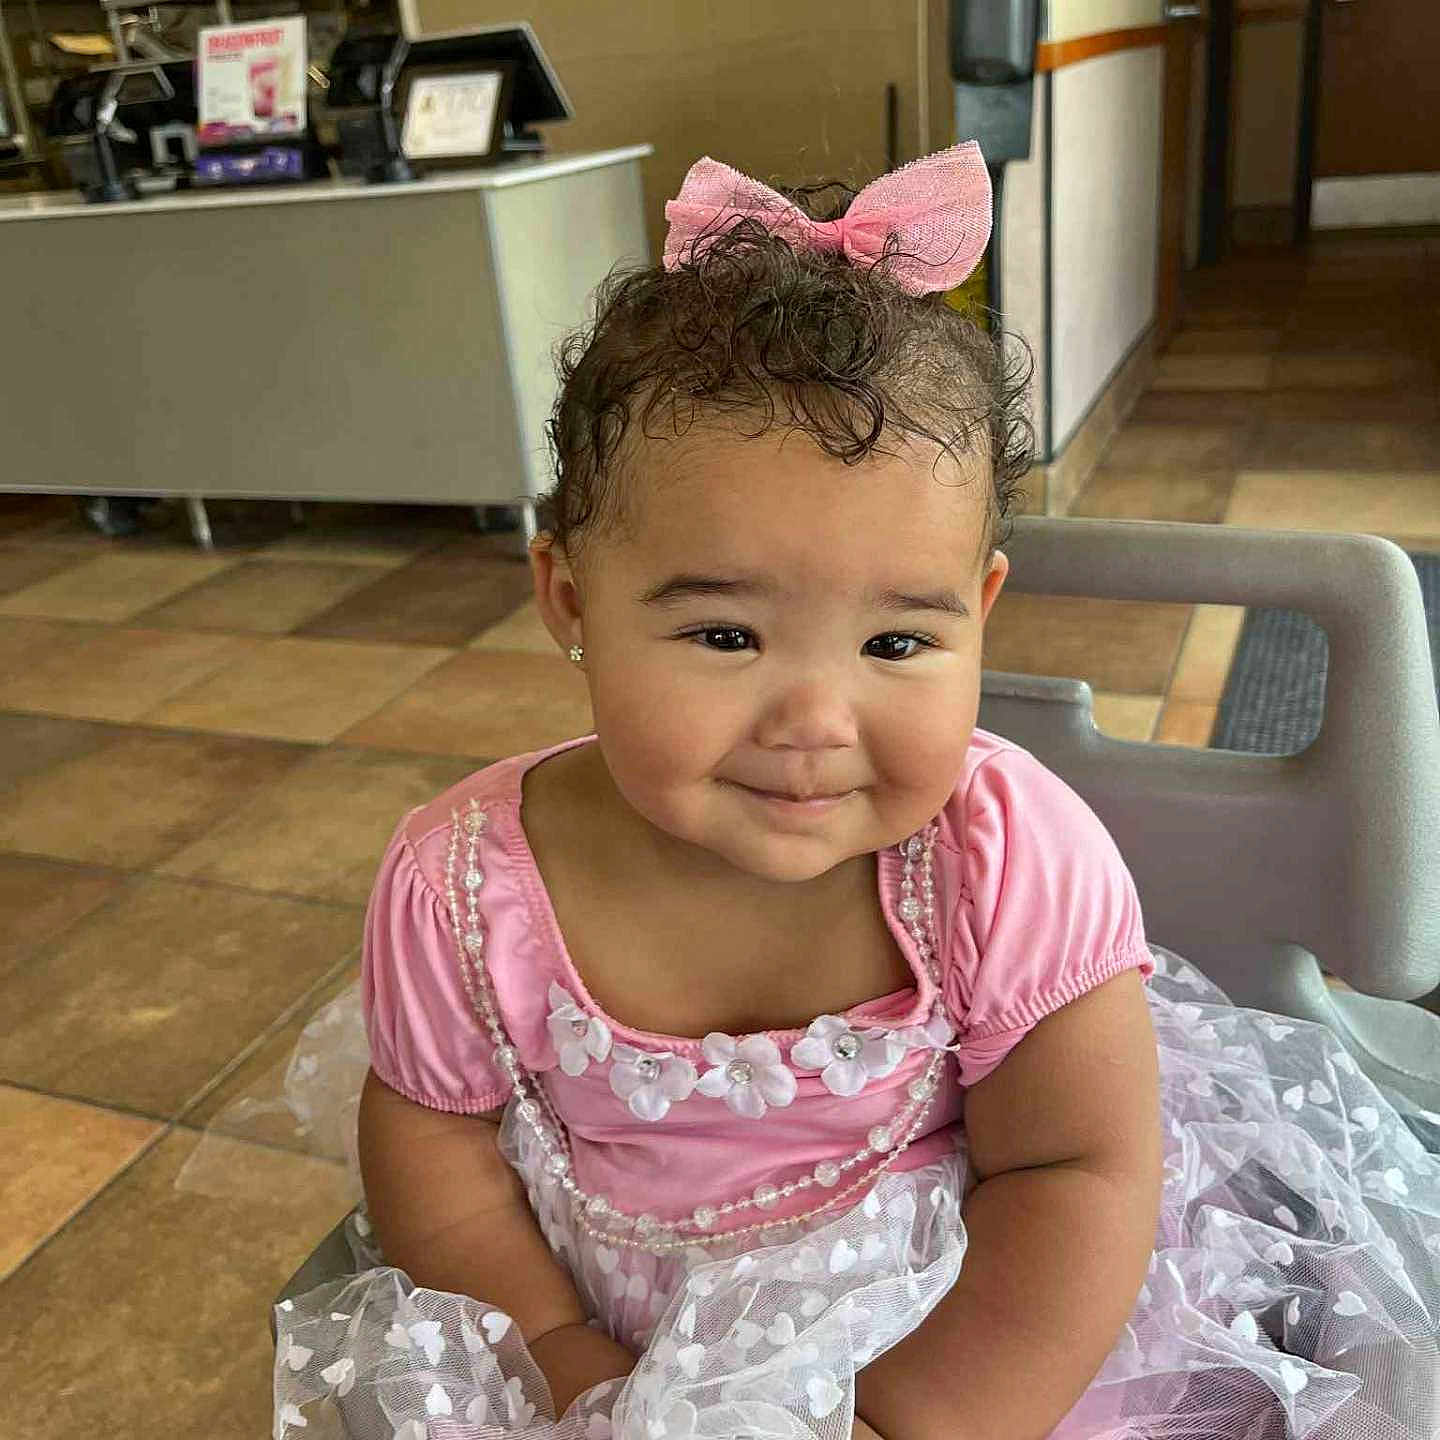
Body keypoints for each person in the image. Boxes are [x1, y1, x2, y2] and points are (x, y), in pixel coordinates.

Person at [267, 144, 1440, 1440]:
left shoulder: (1007, 863)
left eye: (896, 645)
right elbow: (433, 1148)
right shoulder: (463, 889)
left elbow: (1076, 1168)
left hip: (984, 1333)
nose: (816, 725)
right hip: (609, 1359)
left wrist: (920, 1424)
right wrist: (560, 1355)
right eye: (725, 638)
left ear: (982, 613)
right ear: (569, 598)